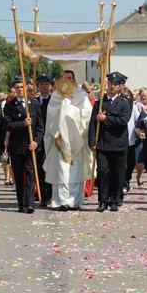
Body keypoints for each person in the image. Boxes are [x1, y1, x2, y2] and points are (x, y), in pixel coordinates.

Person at [43, 70, 92, 211]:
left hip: (77, 140)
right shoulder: (56, 96)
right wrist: (63, 106)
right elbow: (51, 118)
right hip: (60, 140)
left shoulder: (81, 95)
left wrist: (69, 110)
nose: (68, 81)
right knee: (61, 172)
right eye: (65, 78)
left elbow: (86, 116)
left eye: (70, 78)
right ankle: (61, 201)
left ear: (74, 80)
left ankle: (74, 201)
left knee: (74, 173)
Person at [88, 71, 132, 212]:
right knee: (102, 171)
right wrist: (92, 142)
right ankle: (103, 200)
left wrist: (106, 119)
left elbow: (123, 120)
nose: (112, 86)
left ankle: (115, 199)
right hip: (103, 143)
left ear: (120, 86)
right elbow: (93, 123)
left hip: (118, 143)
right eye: (110, 83)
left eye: (115, 84)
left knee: (117, 172)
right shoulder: (101, 101)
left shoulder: (125, 102)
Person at [3, 76, 44, 213]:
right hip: (16, 146)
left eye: (22, 87)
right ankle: (21, 203)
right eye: (17, 87)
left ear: (27, 87)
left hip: (31, 146)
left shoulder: (35, 104)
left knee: (30, 174)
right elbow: (8, 125)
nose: (20, 90)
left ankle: (30, 203)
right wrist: (23, 124)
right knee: (19, 176)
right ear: (14, 89)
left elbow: (40, 127)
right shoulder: (10, 105)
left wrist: (36, 142)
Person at [35, 74, 54, 207]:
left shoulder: (55, 101)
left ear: (50, 86)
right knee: (39, 167)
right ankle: (42, 194)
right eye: (42, 84)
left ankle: (52, 193)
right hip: (38, 139)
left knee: (52, 166)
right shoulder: (34, 101)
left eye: (46, 84)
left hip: (52, 138)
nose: (44, 87)